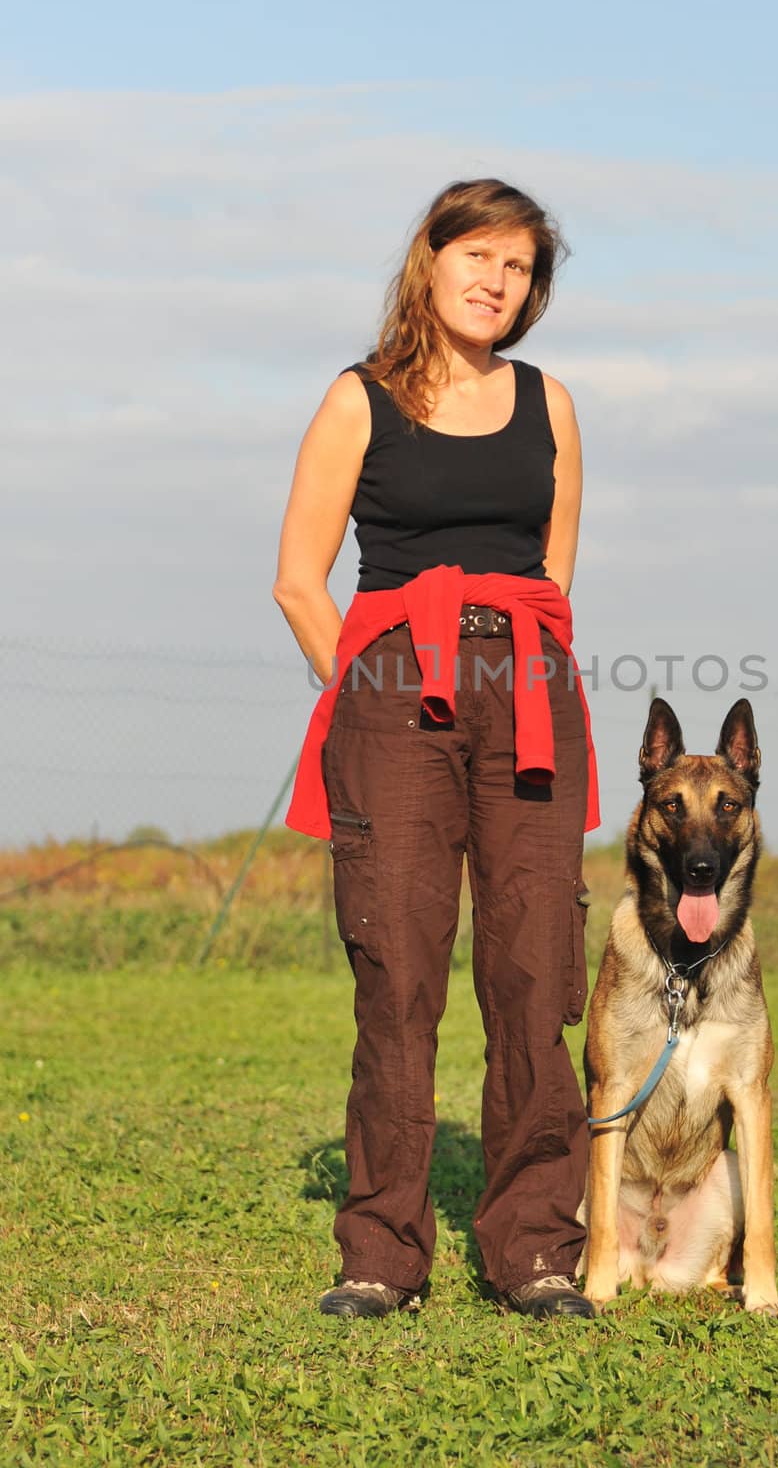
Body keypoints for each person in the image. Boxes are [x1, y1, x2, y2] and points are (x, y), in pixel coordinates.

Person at [273, 178, 600, 1319]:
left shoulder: (548, 403)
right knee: (398, 971)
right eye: (478, 256)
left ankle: (535, 1251)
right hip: (391, 697)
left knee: (531, 967)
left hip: (528, 691)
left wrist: (514, 678)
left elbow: (552, 577)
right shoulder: (358, 399)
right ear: (430, 258)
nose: (494, 281)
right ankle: (380, 1253)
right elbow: (296, 581)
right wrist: (369, 688)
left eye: (517, 269)